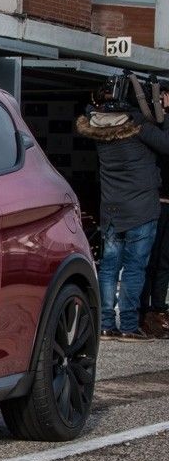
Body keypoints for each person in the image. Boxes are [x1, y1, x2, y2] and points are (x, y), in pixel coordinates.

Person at [75, 80, 167, 341]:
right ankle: (127, 325)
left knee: (109, 267)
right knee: (135, 268)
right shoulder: (138, 125)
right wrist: (164, 115)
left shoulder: (98, 126)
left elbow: (89, 110)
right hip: (141, 210)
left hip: (112, 209)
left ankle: (105, 324)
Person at [138, 86, 169, 337]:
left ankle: (158, 308)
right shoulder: (152, 125)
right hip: (156, 200)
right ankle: (143, 310)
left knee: (165, 260)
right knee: (149, 260)